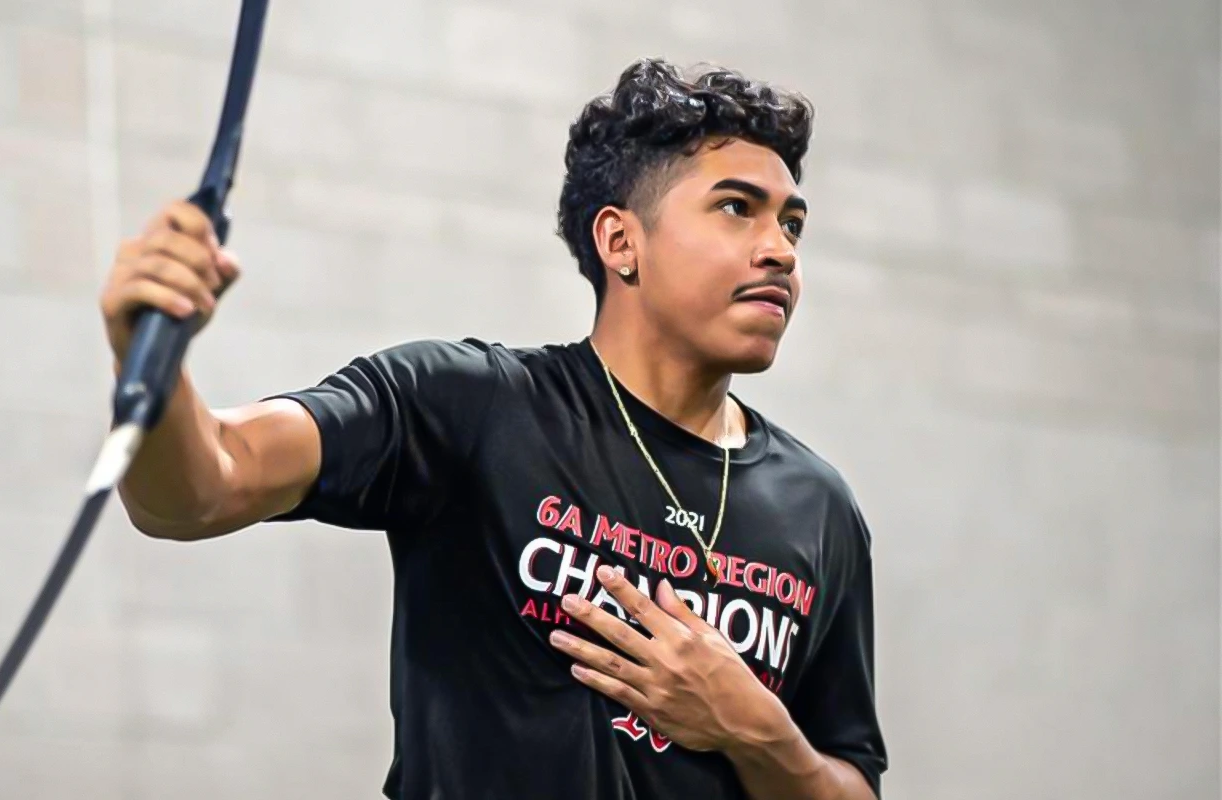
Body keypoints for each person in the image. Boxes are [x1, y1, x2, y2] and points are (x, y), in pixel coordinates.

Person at [100, 58, 888, 800]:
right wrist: (150, 363)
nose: (779, 250)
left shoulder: (818, 507)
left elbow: (849, 782)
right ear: (621, 242)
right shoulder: (469, 406)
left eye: (792, 224)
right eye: (735, 209)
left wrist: (757, 732)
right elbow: (199, 491)